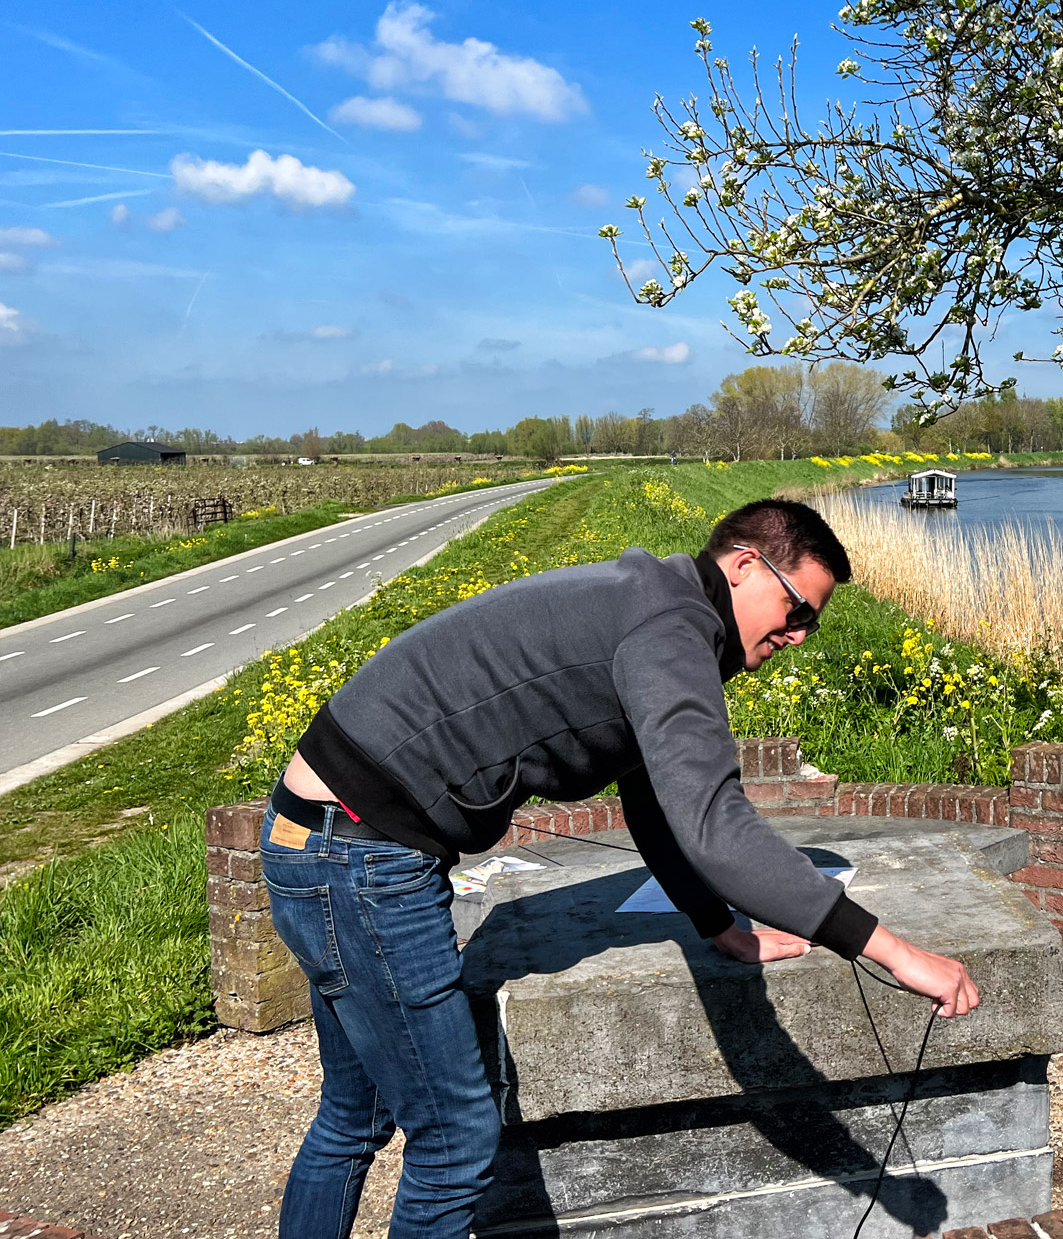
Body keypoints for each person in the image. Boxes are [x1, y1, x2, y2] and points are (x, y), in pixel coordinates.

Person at [259, 499, 979, 1239]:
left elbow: (652, 797)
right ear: (743, 564)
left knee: (355, 1116)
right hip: (359, 855)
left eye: (812, 623)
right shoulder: (670, 630)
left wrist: (714, 921)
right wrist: (894, 951)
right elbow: (716, 825)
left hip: (313, 836)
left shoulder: (656, 603)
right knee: (454, 1140)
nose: (798, 635)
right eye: (797, 608)